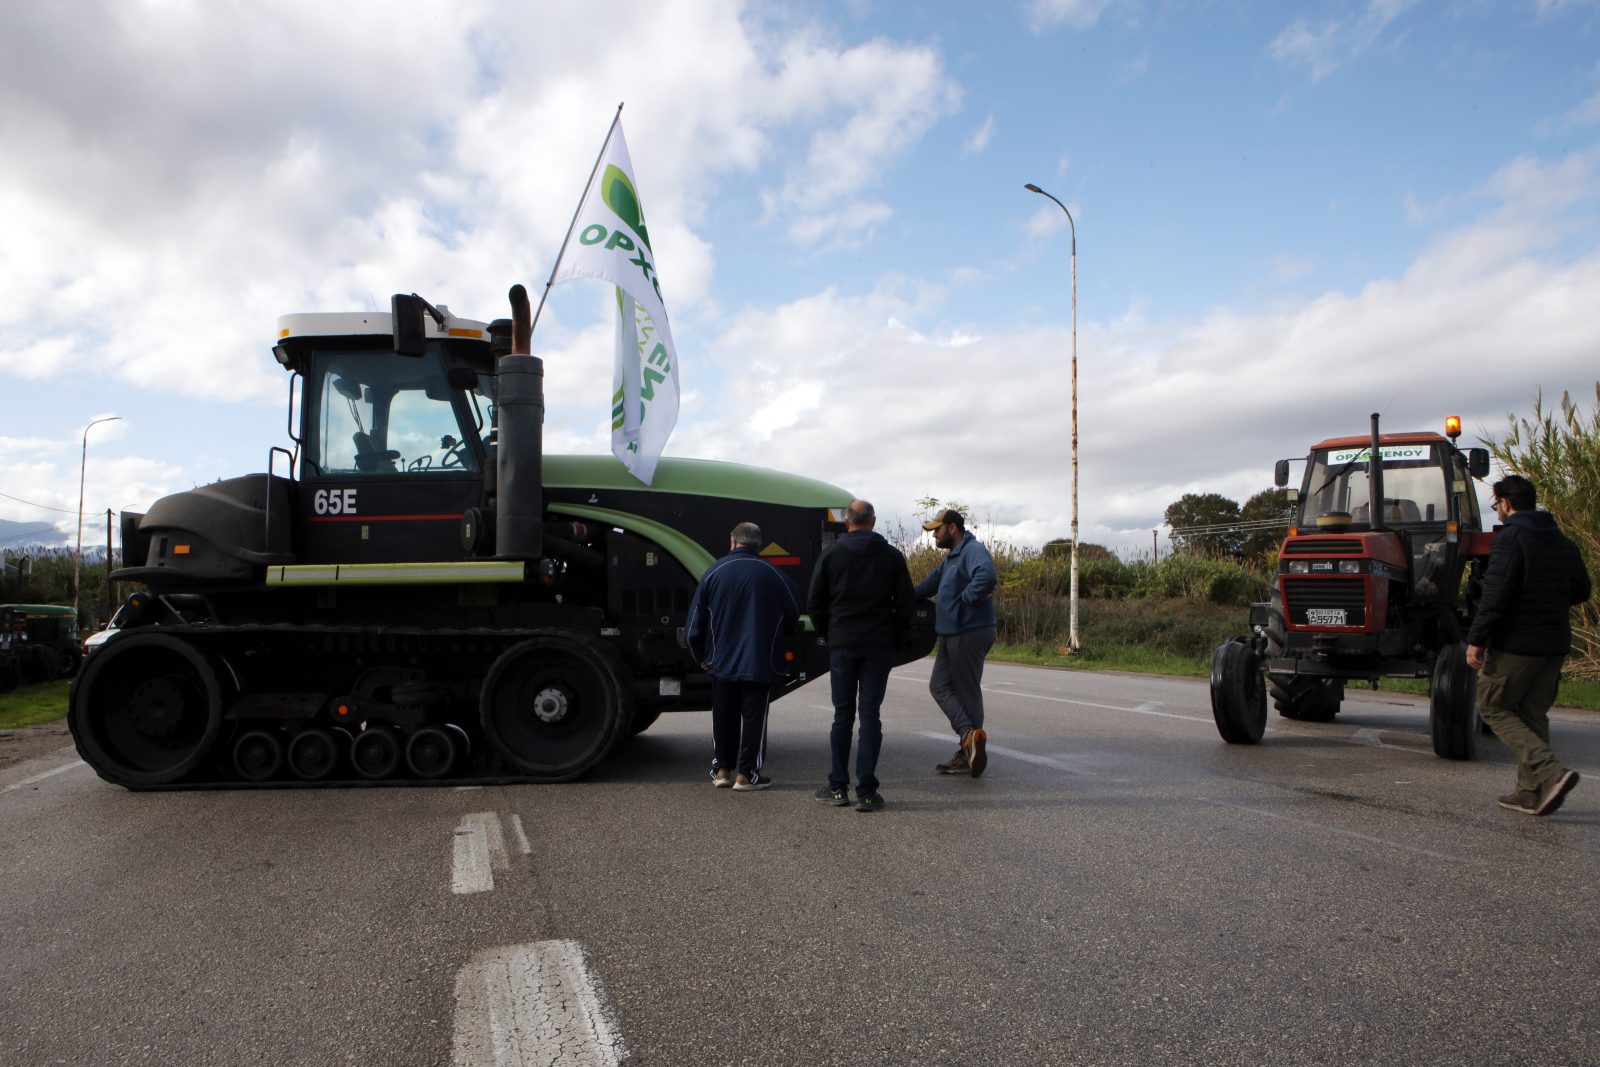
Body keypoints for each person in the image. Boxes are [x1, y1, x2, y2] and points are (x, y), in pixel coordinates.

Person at [1465, 475, 1592, 817]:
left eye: (1496, 505)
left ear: (1506, 504)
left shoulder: (1511, 539)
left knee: (1493, 708)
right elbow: (1582, 590)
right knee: (1533, 715)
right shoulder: (1562, 542)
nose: (1498, 511)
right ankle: (1530, 793)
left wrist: (1476, 640)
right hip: (1555, 644)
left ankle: (1549, 771)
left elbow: (1496, 595)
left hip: (1517, 644)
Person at [807, 499, 916, 813]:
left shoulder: (831, 555)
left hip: (843, 644)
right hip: (878, 645)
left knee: (842, 716)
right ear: (874, 521)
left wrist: (829, 632)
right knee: (870, 716)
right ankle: (867, 791)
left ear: (847, 522)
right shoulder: (892, 557)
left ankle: (837, 786)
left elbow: (815, 602)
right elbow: (906, 604)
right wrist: (894, 636)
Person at [686, 521, 800, 791]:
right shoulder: (774, 573)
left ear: (733, 542)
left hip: (721, 658)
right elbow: (793, 613)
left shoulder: (714, 572)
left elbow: (695, 623)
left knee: (722, 715)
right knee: (754, 718)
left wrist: (700, 654)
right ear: (757, 545)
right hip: (761, 658)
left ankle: (722, 770)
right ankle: (746, 775)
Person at [914, 508, 997, 778]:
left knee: (966, 691)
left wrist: (964, 601)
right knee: (939, 686)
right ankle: (968, 737)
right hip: (954, 633)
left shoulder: (972, 550)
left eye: (937, 529)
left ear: (952, 528)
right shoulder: (952, 558)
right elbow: (928, 586)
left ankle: (968, 747)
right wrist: (900, 596)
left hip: (970, 631)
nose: (934, 535)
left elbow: (986, 576)